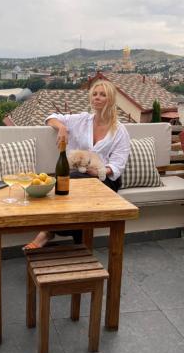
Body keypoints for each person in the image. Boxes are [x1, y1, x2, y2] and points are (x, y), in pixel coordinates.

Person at [23, 79, 131, 250]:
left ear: (110, 99)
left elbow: (118, 165)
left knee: (68, 182)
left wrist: (96, 172)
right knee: (71, 183)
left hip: (105, 179)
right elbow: (51, 118)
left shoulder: (120, 131)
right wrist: (62, 128)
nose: (97, 97)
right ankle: (80, 245)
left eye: (102, 94)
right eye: (94, 94)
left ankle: (47, 232)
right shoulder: (81, 120)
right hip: (79, 175)